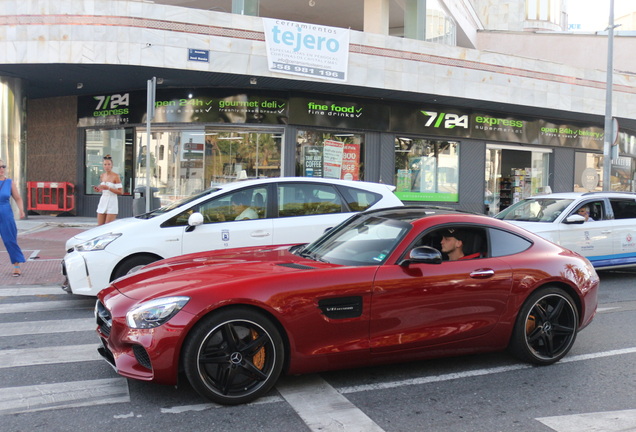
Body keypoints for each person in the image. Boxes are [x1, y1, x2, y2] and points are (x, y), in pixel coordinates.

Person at [0, 160, 26, 276]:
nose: (1, 169)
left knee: (10, 240)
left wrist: (21, 210)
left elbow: (18, 198)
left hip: (6, 213)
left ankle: (16, 266)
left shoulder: (9, 182)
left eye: (3, 166)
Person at [94, 155, 123, 225]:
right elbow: (103, 189)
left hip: (112, 201)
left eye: (109, 164)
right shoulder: (102, 176)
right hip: (103, 200)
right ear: (103, 166)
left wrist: (108, 188)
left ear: (112, 165)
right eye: (105, 164)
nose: (107, 166)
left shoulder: (116, 176)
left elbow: (120, 192)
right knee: (100, 226)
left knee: (108, 226)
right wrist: (99, 189)